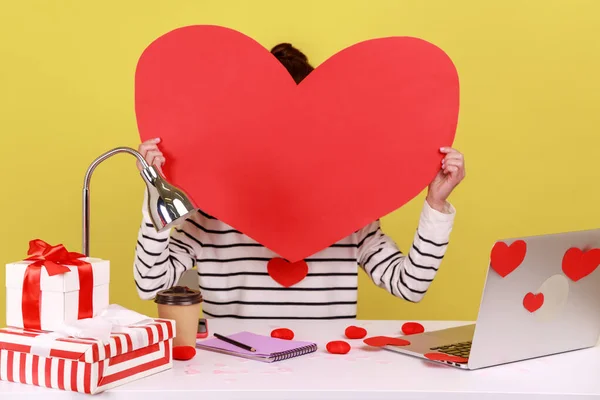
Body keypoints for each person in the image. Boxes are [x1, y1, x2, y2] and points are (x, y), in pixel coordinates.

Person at [133, 43, 466, 320]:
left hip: (326, 377)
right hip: (236, 375)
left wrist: (436, 204)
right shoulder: (210, 218)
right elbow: (149, 285)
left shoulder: (352, 218)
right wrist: (157, 197)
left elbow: (410, 286)